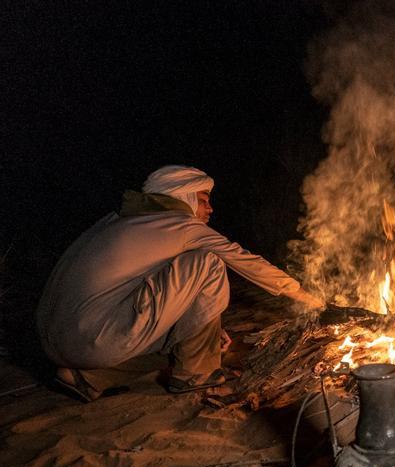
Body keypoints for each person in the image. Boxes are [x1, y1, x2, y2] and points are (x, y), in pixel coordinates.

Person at [37, 165, 323, 400]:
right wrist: (309, 299)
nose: (210, 208)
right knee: (208, 261)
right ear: (182, 197)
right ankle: (197, 374)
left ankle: (87, 378)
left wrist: (207, 326)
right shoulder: (179, 224)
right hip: (91, 337)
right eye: (203, 199)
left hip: (58, 340)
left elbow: (157, 291)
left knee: (180, 342)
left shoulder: (119, 221)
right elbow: (246, 261)